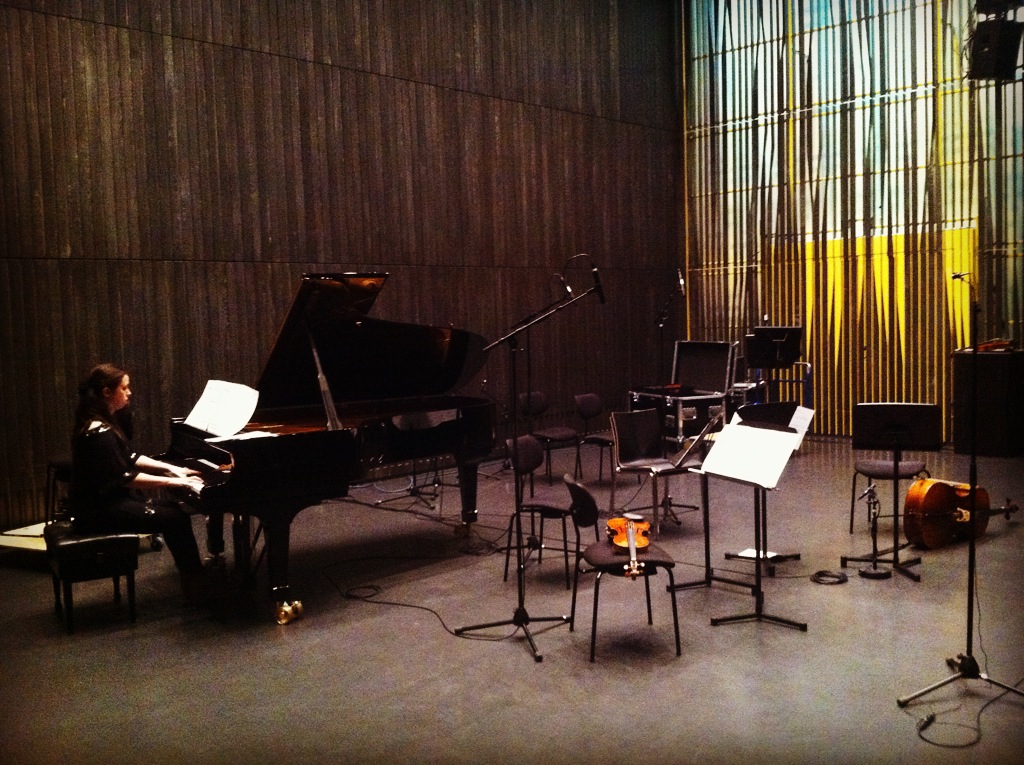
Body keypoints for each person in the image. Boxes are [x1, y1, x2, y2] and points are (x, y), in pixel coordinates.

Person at [68, 363, 224, 602]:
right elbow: (126, 478)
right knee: (176, 518)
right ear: (107, 392)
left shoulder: (103, 422)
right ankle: (196, 584)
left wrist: (173, 468)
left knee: (174, 513)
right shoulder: (97, 432)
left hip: (106, 502)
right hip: (97, 511)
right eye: (124, 388)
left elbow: (131, 457)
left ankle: (193, 578)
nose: (129, 393)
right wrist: (175, 483)